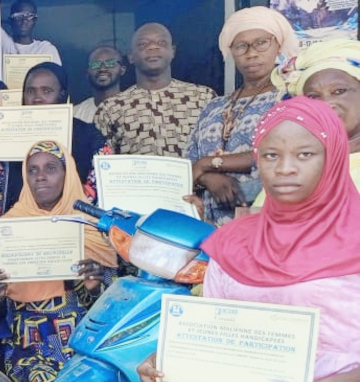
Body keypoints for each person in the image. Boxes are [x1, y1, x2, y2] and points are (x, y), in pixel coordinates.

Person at [109, 96, 360, 382]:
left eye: (305, 154)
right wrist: (173, 362)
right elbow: (219, 330)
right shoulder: (234, 242)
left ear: (334, 157)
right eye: (270, 155)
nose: (284, 169)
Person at [0, 140, 117, 382]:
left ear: (67, 173)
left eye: (50, 168)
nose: (40, 177)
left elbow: (116, 299)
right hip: (30, 346)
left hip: (84, 343)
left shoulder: (93, 226)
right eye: (32, 170)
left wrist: (95, 285)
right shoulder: (7, 227)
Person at [186, 7, 298, 226]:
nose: (251, 53)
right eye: (241, 46)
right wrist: (210, 178)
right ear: (231, 51)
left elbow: (283, 153)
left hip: (269, 221)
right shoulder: (214, 106)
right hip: (207, 226)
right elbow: (190, 164)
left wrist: (209, 163)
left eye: (261, 42)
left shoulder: (290, 97)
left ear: (278, 45)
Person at [0, 62, 111, 217]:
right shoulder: (8, 136)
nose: (37, 98)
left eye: (46, 91)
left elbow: (100, 184)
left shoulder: (89, 135)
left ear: (63, 95)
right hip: (19, 226)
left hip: (75, 224)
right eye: (30, 91)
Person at [255, 38, 359, 205]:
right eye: (313, 96)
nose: (326, 104)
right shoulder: (293, 168)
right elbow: (263, 224)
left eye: (339, 91)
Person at [94, 23, 216, 157]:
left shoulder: (203, 98)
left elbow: (215, 154)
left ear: (173, 51)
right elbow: (102, 164)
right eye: (143, 44)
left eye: (161, 42)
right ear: (130, 57)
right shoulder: (111, 108)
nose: (153, 47)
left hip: (193, 178)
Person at [74, 46, 127, 124]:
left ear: (122, 70)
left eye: (110, 63)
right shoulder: (75, 114)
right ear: (88, 72)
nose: (102, 68)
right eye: (95, 64)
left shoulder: (136, 108)